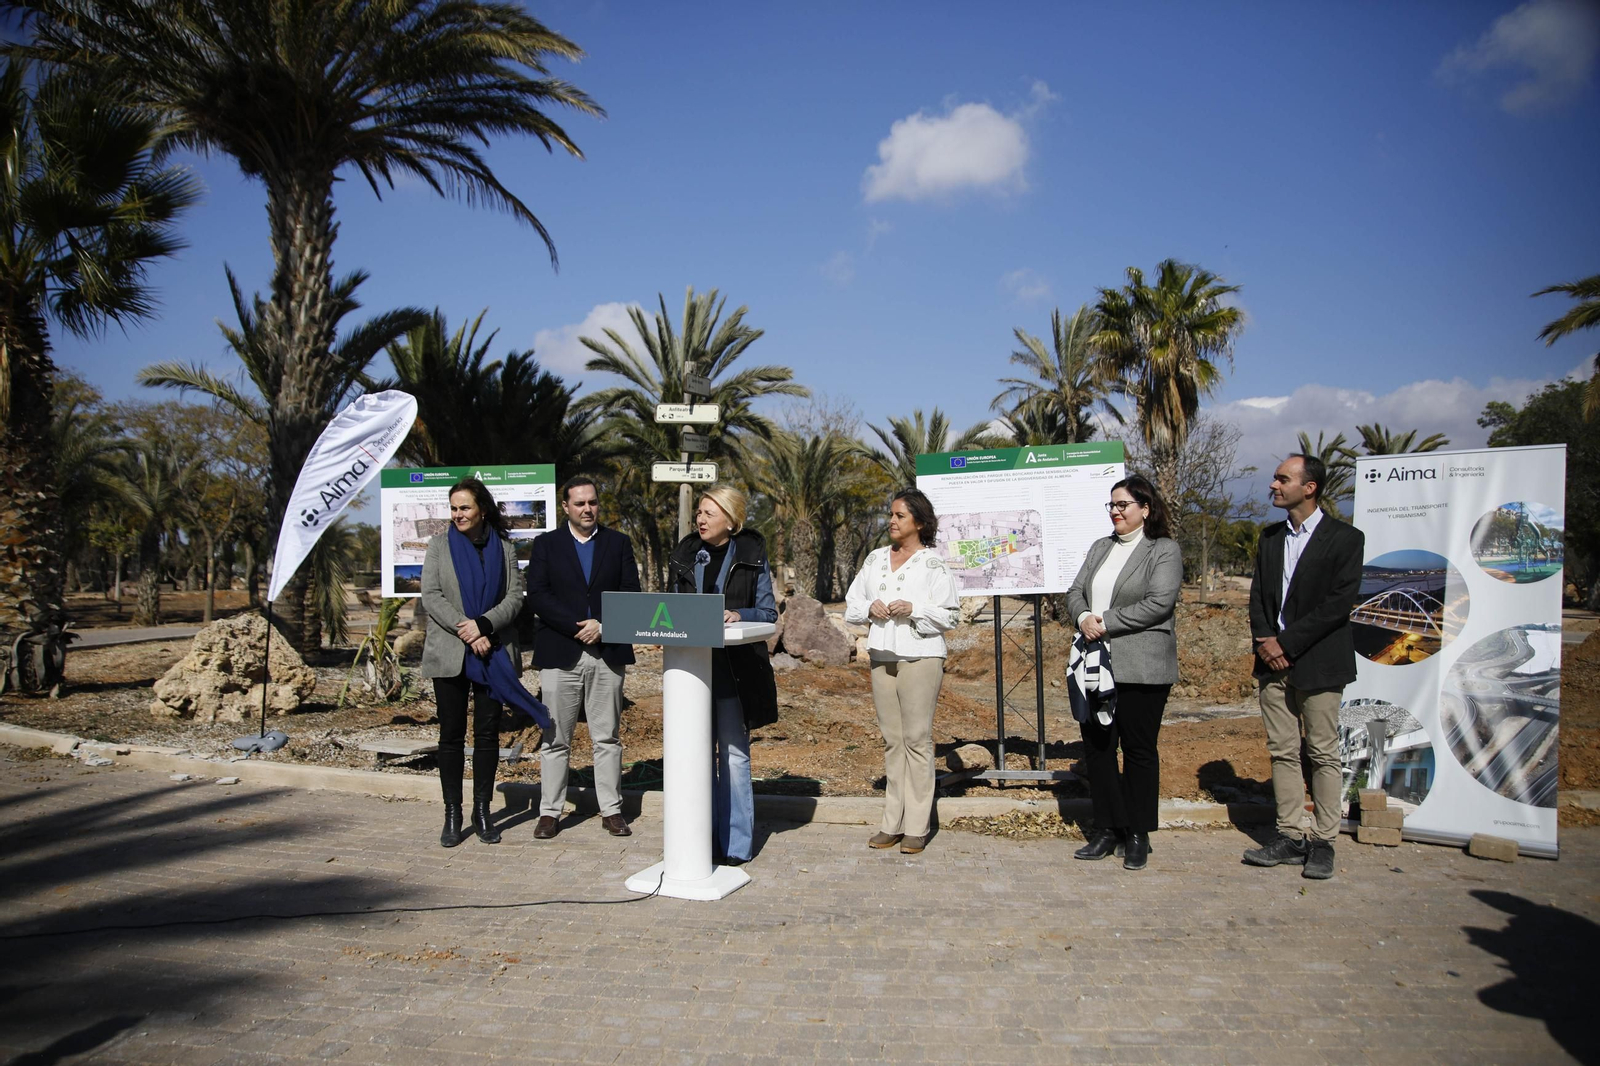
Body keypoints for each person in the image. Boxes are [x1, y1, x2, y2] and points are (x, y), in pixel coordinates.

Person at [1244, 453, 1365, 881]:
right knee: (1282, 752)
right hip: (1271, 663)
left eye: (1282, 479)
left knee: (1322, 752)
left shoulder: (1346, 539)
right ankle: (1290, 836)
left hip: (1319, 662)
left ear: (1309, 487)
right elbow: (1258, 596)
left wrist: (1286, 643)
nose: (1273, 486)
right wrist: (1265, 642)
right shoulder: (1270, 537)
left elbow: (1337, 605)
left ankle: (1324, 841)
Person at [420, 478, 551, 847]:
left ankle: (482, 810)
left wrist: (484, 625)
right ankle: (452, 813)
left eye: (464, 508)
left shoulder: (505, 547)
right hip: (452, 652)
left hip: (492, 649)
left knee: (488, 735)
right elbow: (431, 595)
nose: (458, 514)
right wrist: (467, 630)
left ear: (481, 510)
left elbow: (514, 596)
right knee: (450, 736)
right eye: (454, 508)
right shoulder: (439, 545)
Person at [1064, 475, 1183, 871]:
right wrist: (1082, 616)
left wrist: (1105, 621)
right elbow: (1075, 591)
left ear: (1145, 509)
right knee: (1098, 749)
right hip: (1095, 665)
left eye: (1123, 505)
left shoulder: (1162, 551)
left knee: (1138, 750)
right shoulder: (1102, 547)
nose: (1115, 511)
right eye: (1111, 506)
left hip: (1142, 665)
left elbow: (1159, 604)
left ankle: (1137, 833)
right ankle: (1107, 829)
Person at [844, 489, 960, 856]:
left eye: (899, 516)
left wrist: (914, 608)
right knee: (892, 741)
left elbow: (950, 615)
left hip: (921, 657)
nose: (891, 522)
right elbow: (851, 605)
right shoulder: (876, 559)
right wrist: (869, 607)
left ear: (920, 523)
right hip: (882, 656)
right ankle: (891, 822)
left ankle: (916, 826)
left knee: (916, 740)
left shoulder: (933, 565)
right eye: (890, 515)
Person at [526, 475, 641, 840]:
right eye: (579, 503)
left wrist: (604, 626)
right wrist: (579, 626)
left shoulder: (618, 544)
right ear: (566, 507)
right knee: (555, 737)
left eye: (592, 502)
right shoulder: (546, 545)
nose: (587, 509)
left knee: (606, 736)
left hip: (607, 651)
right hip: (561, 651)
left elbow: (631, 593)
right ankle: (550, 812)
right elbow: (538, 596)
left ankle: (611, 809)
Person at [668, 484, 778, 865]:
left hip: (735, 672)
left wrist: (738, 614)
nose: (700, 519)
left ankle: (734, 846)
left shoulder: (751, 554)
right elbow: (669, 608)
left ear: (731, 521)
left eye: (709, 513)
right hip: (690, 672)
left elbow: (767, 614)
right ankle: (697, 840)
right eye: (699, 512)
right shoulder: (685, 554)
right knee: (692, 754)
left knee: (732, 755)